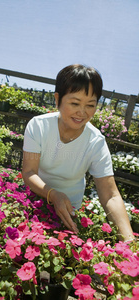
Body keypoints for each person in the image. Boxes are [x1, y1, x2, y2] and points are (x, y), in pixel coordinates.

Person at [22, 64, 134, 242]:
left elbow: (110, 194)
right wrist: (53, 194)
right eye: (74, 103)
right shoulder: (39, 126)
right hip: (35, 199)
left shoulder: (96, 142)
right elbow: (29, 172)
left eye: (90, 105)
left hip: (70, 212)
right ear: (58, 99)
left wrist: (130, 241)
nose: (82, 112)